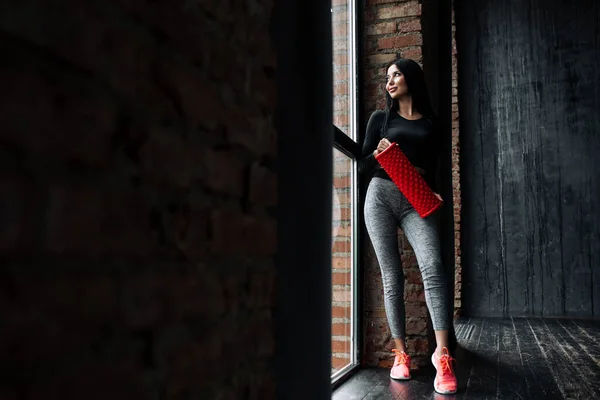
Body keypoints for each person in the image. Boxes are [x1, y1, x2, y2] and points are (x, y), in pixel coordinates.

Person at [359, 58, 457, 395]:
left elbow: (436, 168)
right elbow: (361, 164)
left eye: (396, 74)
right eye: (387, 77)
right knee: (392, 276)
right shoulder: (380, 119)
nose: (390, 81)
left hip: (417, 198)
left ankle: (442, 356)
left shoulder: (432, 124)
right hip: (381, 195)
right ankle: (401, 354)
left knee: (433, 266)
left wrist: (438, 192)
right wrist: (378, 152)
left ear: (411, 77)